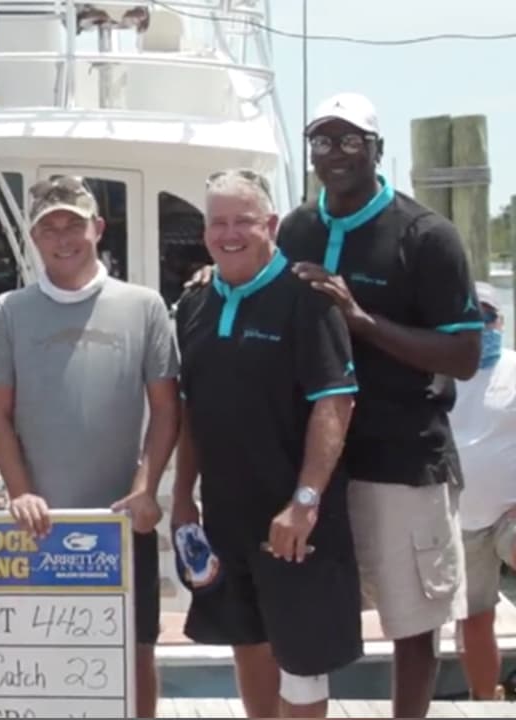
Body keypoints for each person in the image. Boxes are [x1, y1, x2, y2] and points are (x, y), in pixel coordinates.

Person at [186, 92, 483, 717]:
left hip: (399, 458)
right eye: (323, 142)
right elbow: (253, 274)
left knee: (410, 621)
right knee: (301, 620)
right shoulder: (295, 227)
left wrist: (360, 320)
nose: (336, 154)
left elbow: (462, 354)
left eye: (351, 141)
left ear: (376, 150)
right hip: (305, 466)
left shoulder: (426, 236)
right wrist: (208, 280)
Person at [0, 175, 181, 718]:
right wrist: (20, 493)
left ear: (98, 228)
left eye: (73, 224)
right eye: (49, 227)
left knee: (138, 648)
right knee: (41, 654)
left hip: (121, 521)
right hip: (38, 525)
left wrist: (145, 490)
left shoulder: (145, 306)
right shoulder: (7, 311)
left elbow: (166, 408)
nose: (62, 237)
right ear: (34, 237)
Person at [172, 169, 363, 718]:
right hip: (227, 517)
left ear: (271, 225)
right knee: (248, 643)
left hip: (295, 520)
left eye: (243, 221)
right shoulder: (195, 303)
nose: (229, 234)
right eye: (217, 223)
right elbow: (191, 411)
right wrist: (183, 498)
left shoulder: (310, 298)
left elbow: (336, 402)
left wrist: (304, 503)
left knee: (302, 665)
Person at [448, 281, 516, 701]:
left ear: (500, 322)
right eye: (469, 319)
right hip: (457, 518)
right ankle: (484, 701)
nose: (480, 325)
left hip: (511, 512)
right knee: (475, 619)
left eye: (486, 316)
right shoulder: (435, 371)